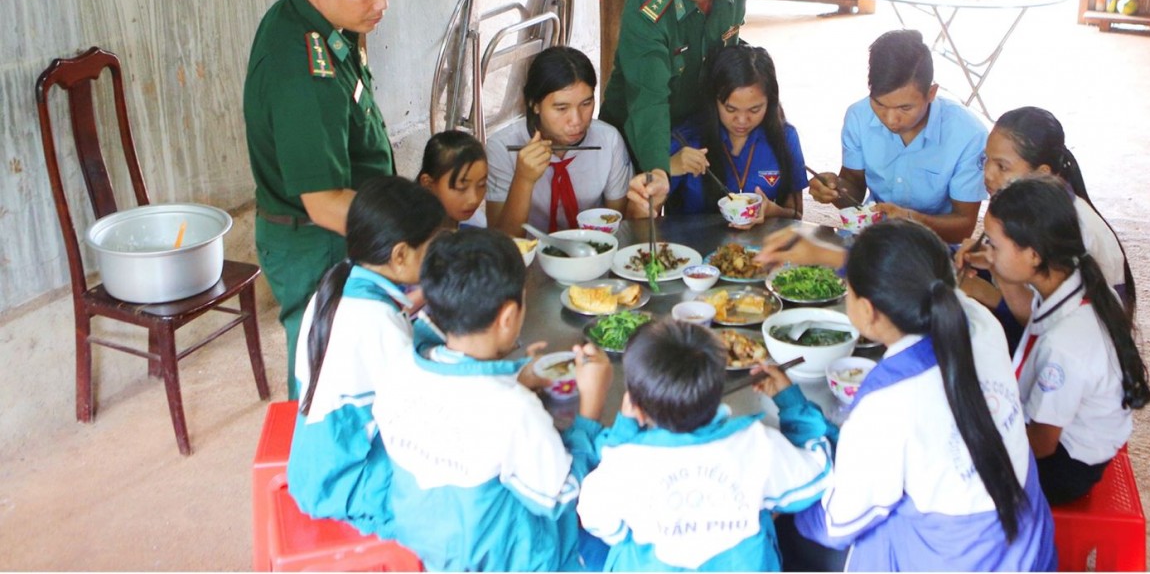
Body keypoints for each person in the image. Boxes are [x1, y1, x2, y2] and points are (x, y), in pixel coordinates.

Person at [757, 220, 1057, 572]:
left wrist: (786, 501)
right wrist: (829, 255)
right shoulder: (978, 322)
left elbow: (838, 524)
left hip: (958, 557)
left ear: (867, 311)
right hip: (1029, 546)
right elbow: (914, 277)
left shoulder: (888, 401)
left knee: (789, 535)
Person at [373, 228, 612, 571]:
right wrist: (592, 403)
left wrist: (512, 379)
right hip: (501, 560)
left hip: (427, 544)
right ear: (507, 317)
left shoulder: (397, 369)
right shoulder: (512, 409)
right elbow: (561, 496)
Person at [244, 0, 402, 398]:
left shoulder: (319, 20)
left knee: (357, 364)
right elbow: (324, 202)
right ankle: (309, 470)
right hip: (318, 239)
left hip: (345, 225)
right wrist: (410, 234)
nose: (382, 5)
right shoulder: (302, 70)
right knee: (324, 377)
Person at [576, 319, 832, 570]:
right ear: (720, 387)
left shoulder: (625, 464)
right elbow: (819, 475)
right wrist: (793, 404)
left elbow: (599, 522)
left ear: (637, 409)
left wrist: (624, 435)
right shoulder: (758, 443)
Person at [287, 176, 445, 534]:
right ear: (400, 255)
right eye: (430, 250)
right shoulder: (377, 321)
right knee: (466, 482)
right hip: (346, 482)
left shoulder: (338, 284)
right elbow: (417, 421)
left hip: (315, 463)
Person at [982, 175, 1150, 505]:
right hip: (1076, 437)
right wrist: (1000, 271)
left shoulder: (1065, 345)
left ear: (1032, 255)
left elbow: (1043, 443)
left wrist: (981, 448)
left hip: (1064, 467)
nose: (986, 250)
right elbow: (1028, 318)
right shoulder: (1073, 276)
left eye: (993, 244)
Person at [600, 0, 754, 177]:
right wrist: (658, 170)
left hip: (697, 122)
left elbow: (731, 53)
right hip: (636, 128)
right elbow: (648, 100)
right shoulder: (646, 8)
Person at [960, 106, 1136, 327]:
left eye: (1002, 167)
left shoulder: (1073, 229)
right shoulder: (1024, 207)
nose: (988, 174)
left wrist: (983, 293)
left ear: (1042, 173)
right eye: (986, 160)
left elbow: (1056, 323)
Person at [809, 29, 987, 245]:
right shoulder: (859, 116)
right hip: (871, 234)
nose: (891, 119)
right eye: (880, 104)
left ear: (931, 93)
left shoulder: (968, 135)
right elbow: (854, 183)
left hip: (933, 244)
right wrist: (834, 190)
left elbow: (964, 226)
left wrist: (913, 220)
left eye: (905, 107)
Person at [486, 46, 634, 236]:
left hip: (594, 253)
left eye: (586, 104)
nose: (577, 121)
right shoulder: (503, 147)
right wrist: (523, 179)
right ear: (534, 104)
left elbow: (619, 224)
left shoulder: (608, 140)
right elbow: (502, 241)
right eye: (561, 108)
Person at [667, 44, 806, 224]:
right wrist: (668, 167)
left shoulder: (785, 137)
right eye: (730, 109)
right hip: (692, 249)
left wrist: (771, 210)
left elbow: (796, 214)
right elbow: (644, 215)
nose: (742, 120)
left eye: (754, 109)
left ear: (770, 102)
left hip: (758, 248)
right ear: (714, 101)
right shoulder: (686, 138)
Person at [417, 129, 488, 228]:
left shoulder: (476, 225)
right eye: (461, 187)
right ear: (428, 184)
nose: (474, 199)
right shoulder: (408, 235)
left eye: (482, 184)